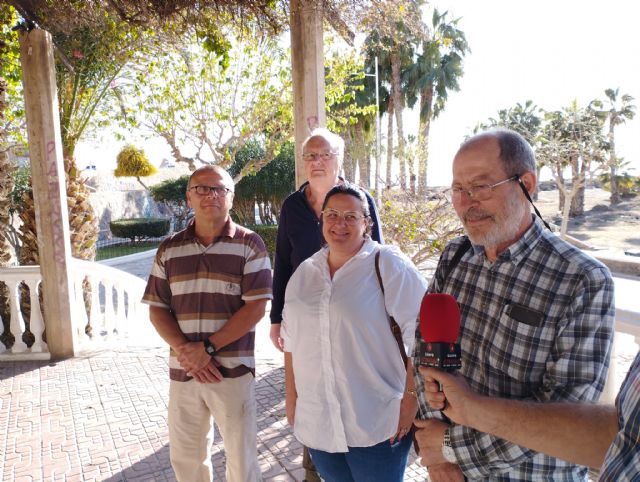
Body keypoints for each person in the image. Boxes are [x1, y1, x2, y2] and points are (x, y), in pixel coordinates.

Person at [413, 129, 615, 481]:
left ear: (527, 183)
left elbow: (566, 421)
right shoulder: (456, 255)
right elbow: (423, 353)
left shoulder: (582, 280)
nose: (467, 202)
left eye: (481, 186)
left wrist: (448, 448)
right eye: (458, 189)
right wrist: (439, 460)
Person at [281, 183, 428, 482]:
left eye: (352, 216)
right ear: (322, 219)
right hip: (319, 421)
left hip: (377, 421)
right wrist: (292, 400)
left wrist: (410, 400)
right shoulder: (304, 274)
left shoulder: (388, 264)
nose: (340, 223)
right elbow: (291, 342)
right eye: (333, 214)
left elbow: (422, 337)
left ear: (367, 223)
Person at [142, 165, 272, 482]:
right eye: (201, 188)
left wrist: (208, 348)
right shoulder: (170, 248)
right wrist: (189, 353)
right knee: (186, 459)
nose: (210, 195)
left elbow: (255, 308)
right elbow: (158, 309)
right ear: (189, 196)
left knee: (241, 461)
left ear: (231, 196)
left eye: (219, 189)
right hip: (184, 371)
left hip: (232, 372)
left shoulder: (249, 244)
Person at [270, 128, 383, 481]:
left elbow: (377, 258)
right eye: (310, 156)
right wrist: (277, 319)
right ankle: (314, 469)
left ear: (339, 159)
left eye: (324, 155)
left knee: (352, 386)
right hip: (307, 318)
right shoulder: (292, 205)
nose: (317, 162)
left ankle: (364, 457)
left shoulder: (360, 199)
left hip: (352, 318)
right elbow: (283, 262)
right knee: (311, 386)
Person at [418, 349, 640, 481]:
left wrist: (449, 448)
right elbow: (618, 432)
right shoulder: (452, 268)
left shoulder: (587, 279)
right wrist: (438, 458)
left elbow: (573, 412)